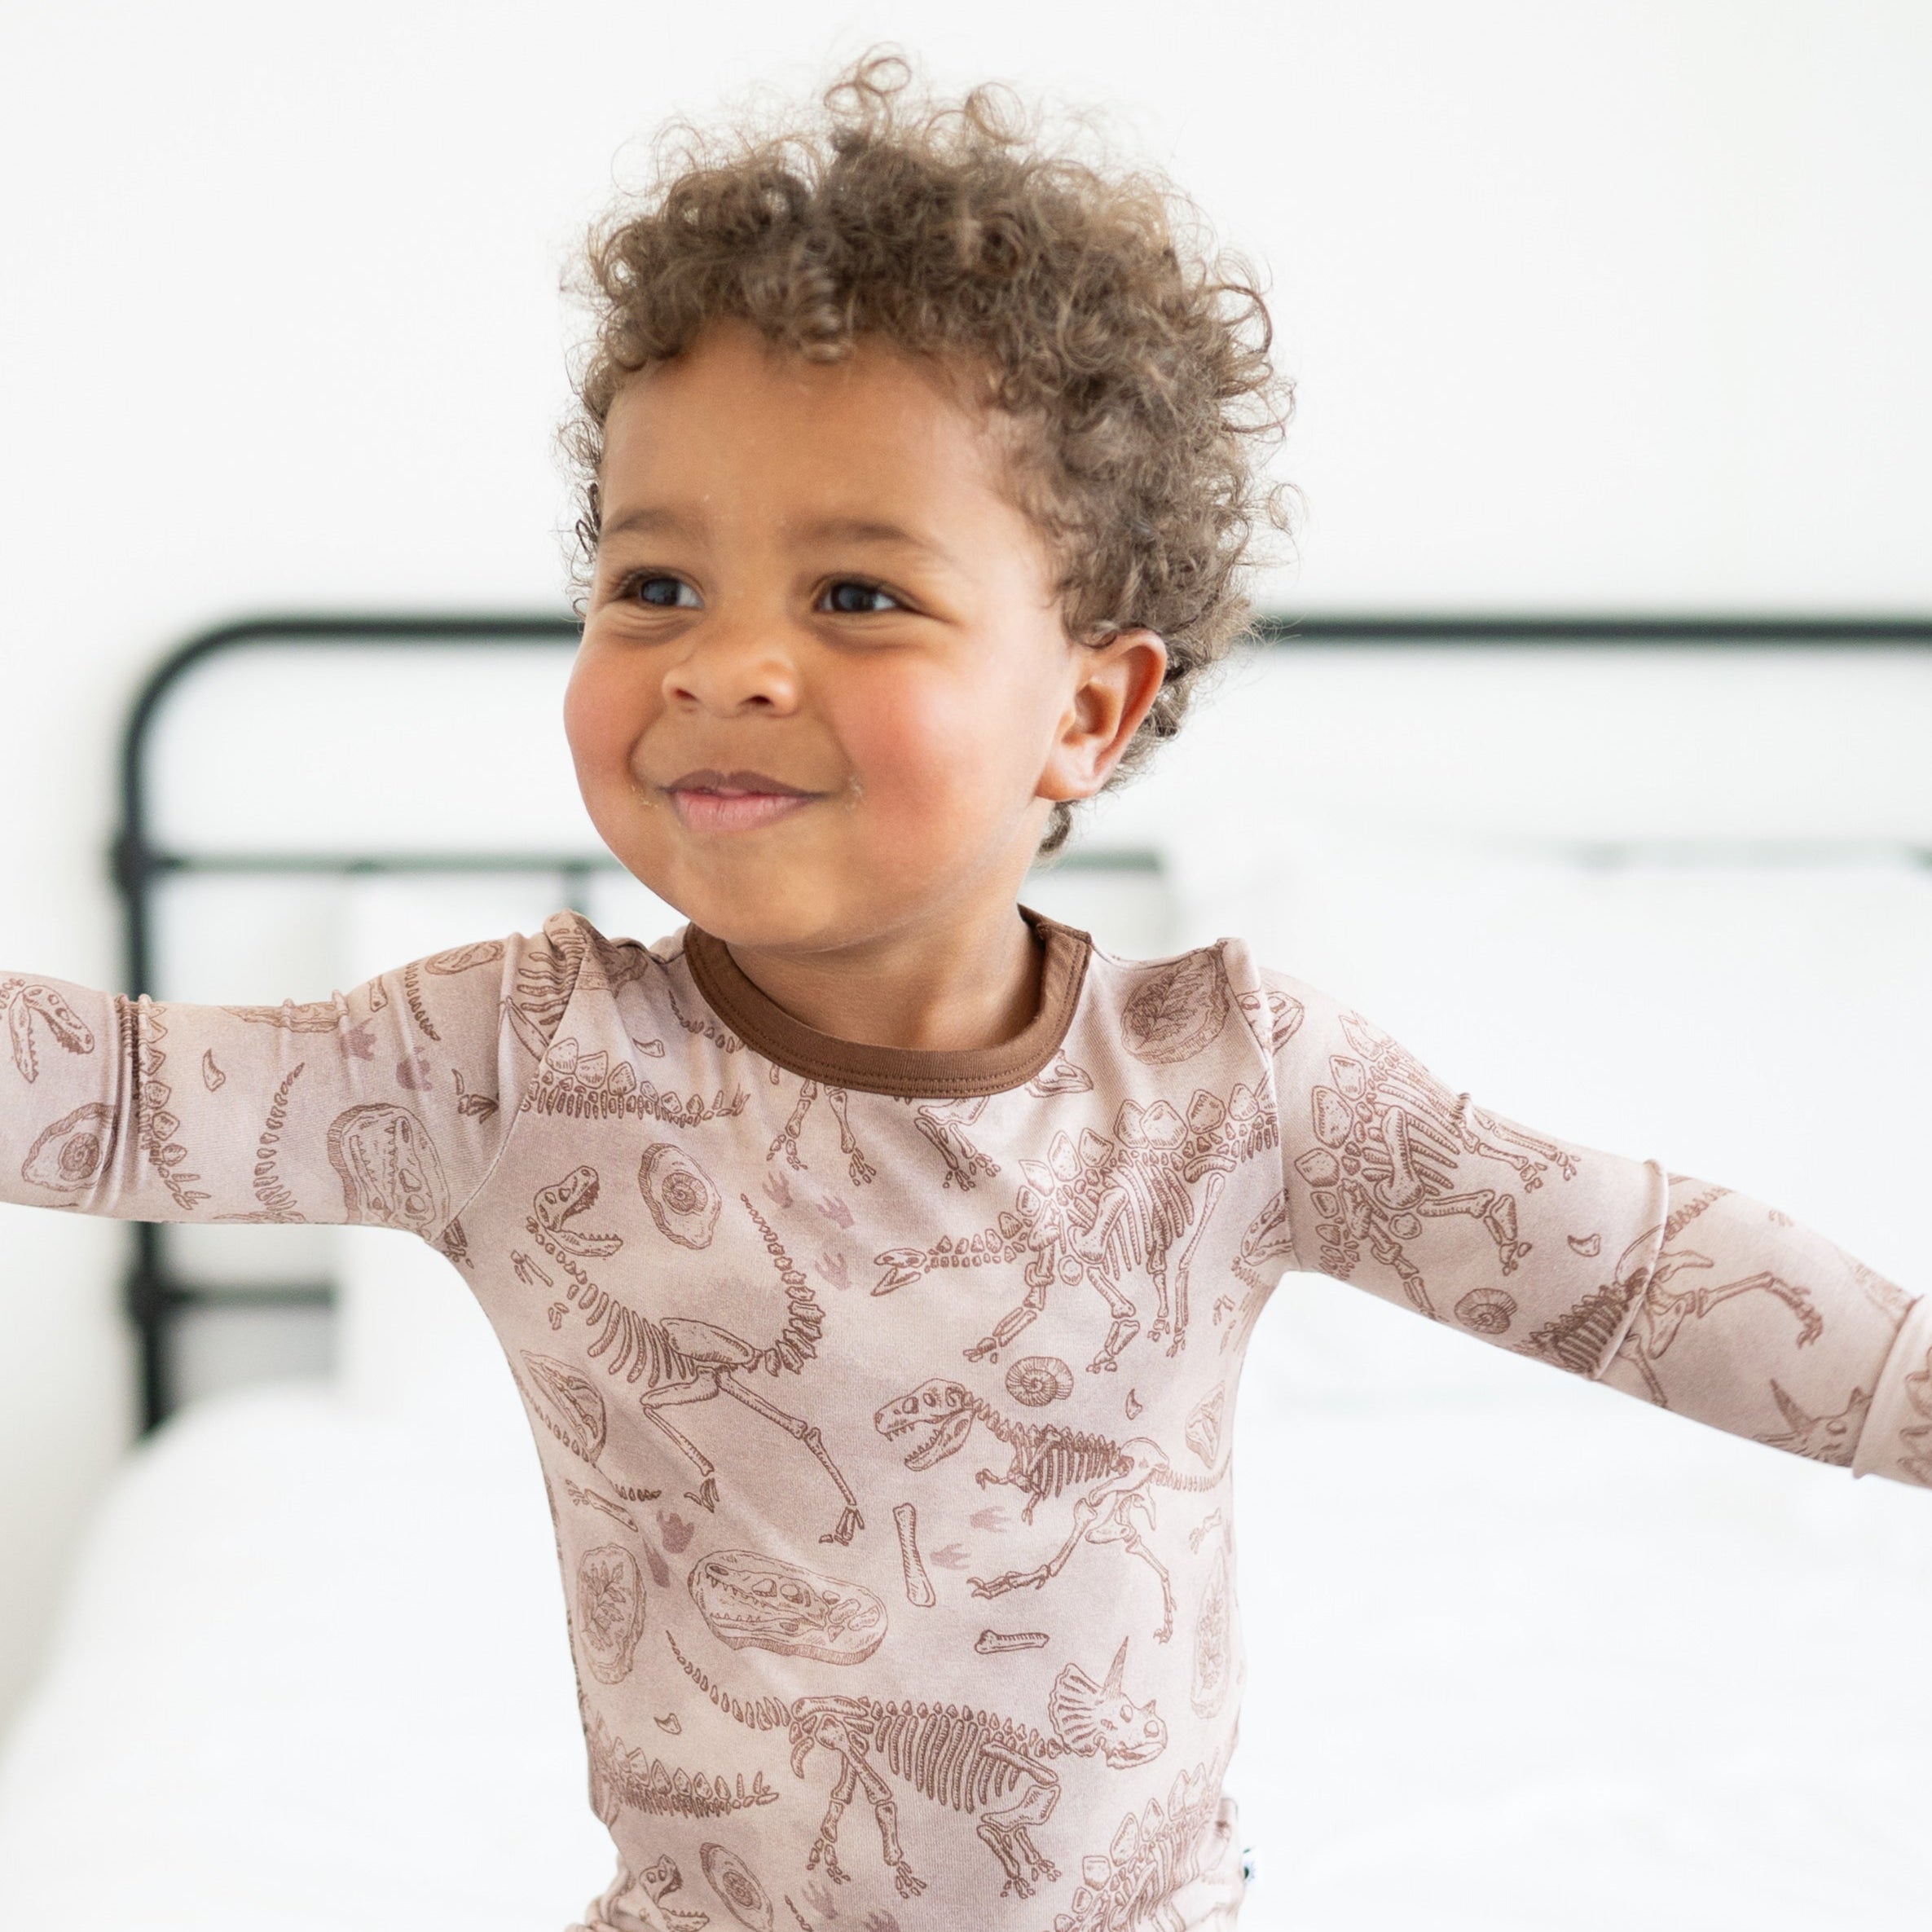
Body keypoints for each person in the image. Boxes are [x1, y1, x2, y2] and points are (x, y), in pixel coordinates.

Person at [2, 48, 1925, 1932]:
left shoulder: (1231, 1090)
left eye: (855, 597)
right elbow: (100, 1095)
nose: (723, 663)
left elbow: (1641, 1272)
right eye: (654, 585)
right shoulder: (513, 1067)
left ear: (1087, 707)